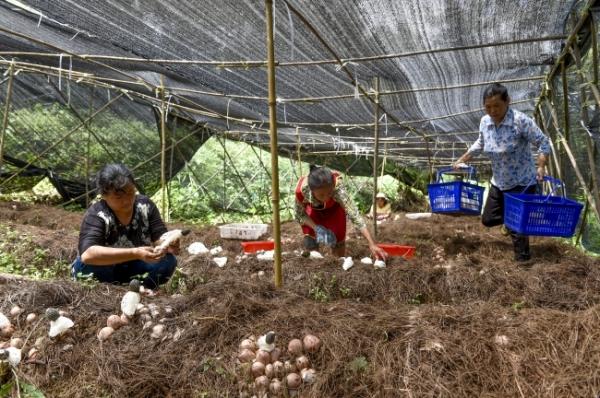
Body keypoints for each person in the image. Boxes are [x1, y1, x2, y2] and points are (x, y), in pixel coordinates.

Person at [453, 83, 551, 262]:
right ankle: (512, 220)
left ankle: (523, 261)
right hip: (499, 181)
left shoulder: (520, 121)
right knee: (488, 219)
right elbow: (480, 143)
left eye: (496, 105)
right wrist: (462, 159)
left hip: (522, 182)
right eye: (488, 107)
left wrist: (541, 165)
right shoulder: (485, 122)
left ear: (508, 102)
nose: (492, 110)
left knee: (516, 226)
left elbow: (543, 142)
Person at [72, 164, 179, 288]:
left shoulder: (146, 206)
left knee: (167, 261)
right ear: (104, 195)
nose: (127, 200)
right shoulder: (97, 214)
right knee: (89, 266)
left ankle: (138, 289)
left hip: (135, 265)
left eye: (130, 193)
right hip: (104, 267)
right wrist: (135, 252)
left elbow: (158, 237)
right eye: (118, 197)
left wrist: (167, 243)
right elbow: (88, 254)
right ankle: (108, 288)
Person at [295, 166, 388, 260]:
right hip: (314, 213)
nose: (326, 198)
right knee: (311, 243)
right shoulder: (302, 192)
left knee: (338, 245)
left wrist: (371, 243)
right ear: (312, 191)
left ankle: (339, 262)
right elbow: (299, 215)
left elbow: (354, 214)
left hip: (334, 211)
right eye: (321, 195)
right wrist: (316, 228)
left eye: (330, 193)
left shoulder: (338, 188)